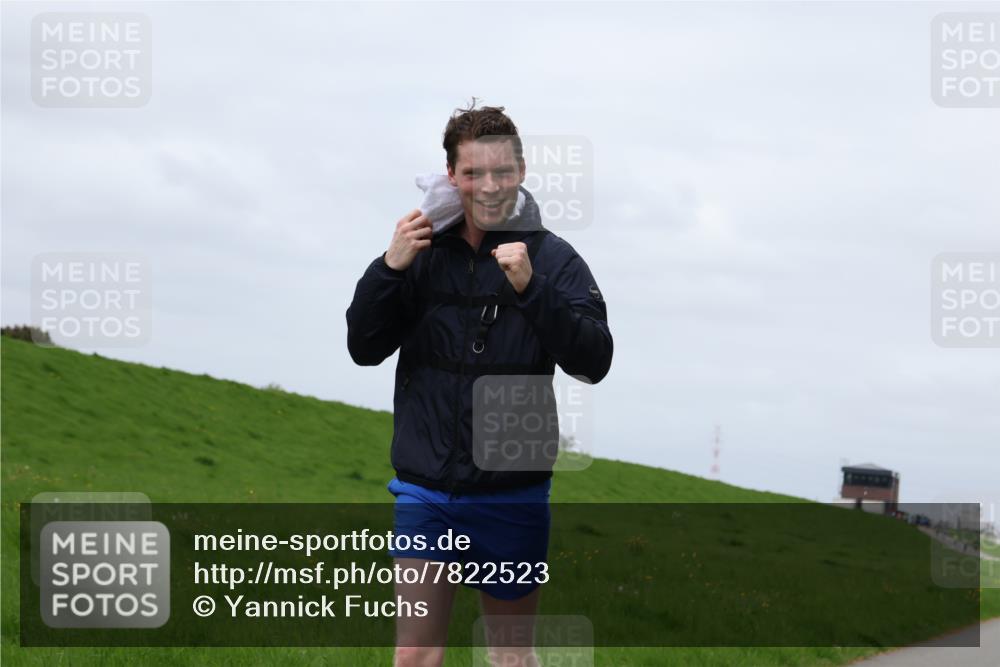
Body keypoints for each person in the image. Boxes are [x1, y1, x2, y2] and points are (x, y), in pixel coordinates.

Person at [346, 101, 613, 667]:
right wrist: (388, 268)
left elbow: (593, 361)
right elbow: (364, 348)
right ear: (451, 174)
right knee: (415, 653)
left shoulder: (555, 260)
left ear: (521, 171)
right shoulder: (418, 253)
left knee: (510, 657)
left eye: (502, 172)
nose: (489, 187)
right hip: (425, 490)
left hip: (513, 494)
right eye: (473, 173)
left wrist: (532, 290)